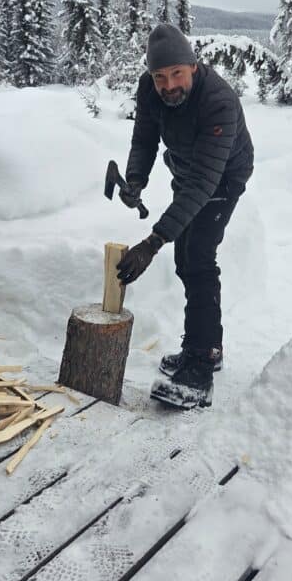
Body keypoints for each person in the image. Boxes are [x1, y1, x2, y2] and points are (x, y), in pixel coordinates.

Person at [116, 22, 254, 409]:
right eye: (160, 76)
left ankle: (201, 365)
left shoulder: (219, 102)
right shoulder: (151, 90)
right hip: (186, 167)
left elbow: (203, 185)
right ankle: (207, 343)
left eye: (177, 73)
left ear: (193, 66)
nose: (168, 84)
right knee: (185, 257)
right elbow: (144, 138)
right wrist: (135, 180)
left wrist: (152, 242)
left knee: (198, 256)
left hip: (223, 176)